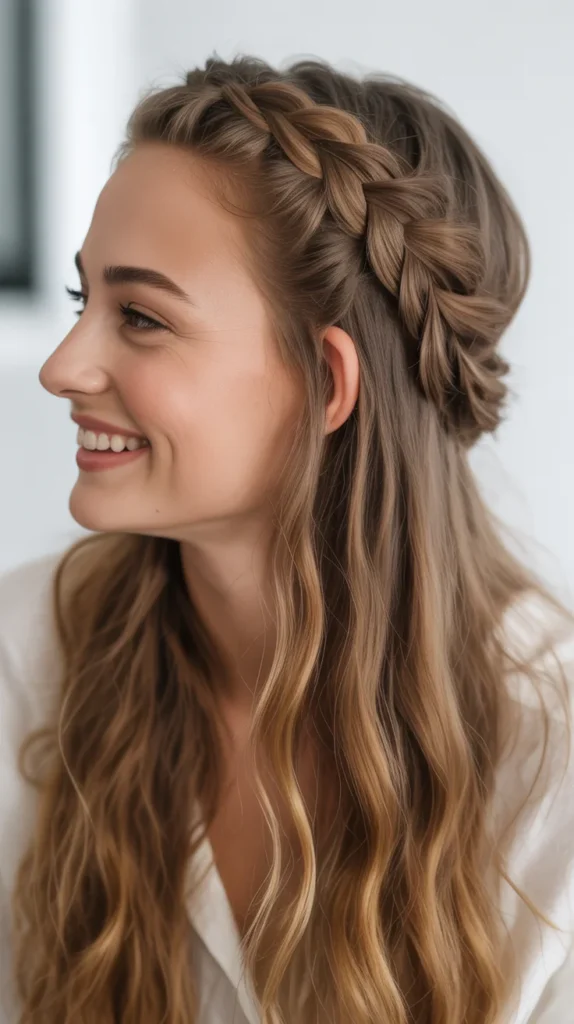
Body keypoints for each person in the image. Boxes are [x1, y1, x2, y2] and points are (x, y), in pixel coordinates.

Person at [0, 53, 572, 1024]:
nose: (62, 367)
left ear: (326, 382)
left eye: (139, 317)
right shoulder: (25, 659)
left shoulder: (549, 765)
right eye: (80, 301)